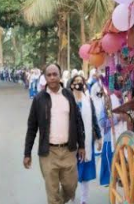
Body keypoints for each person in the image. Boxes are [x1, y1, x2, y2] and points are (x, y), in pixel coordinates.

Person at [24, 64, 86, 204]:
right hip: (48, 153)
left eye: (55, 74)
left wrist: (81, 145)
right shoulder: (39, 99)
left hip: (68, 151)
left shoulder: (68, 95)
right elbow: (32, 127)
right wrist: (27, 153)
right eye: (49, 75)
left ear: (60, 75)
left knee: (71, 187)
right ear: (45, 77)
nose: (52, 78)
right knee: (52, 193)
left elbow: (78, 121)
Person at [70, 75, 102, 204]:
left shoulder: (88, 99)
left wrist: (99, 137)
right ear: (71, 84)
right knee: (71, 172)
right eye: (76, 81)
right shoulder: (67, 99)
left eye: (81, 81)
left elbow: (94, 119)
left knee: (84, 175)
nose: (78, 83)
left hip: (86, 141)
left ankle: (84, 200)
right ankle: (70, 193)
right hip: (71, 142)